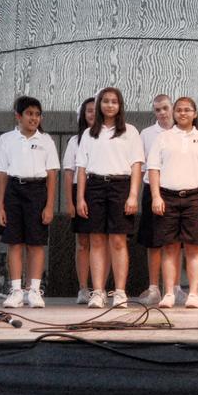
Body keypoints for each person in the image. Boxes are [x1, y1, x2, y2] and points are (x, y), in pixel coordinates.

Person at [76, 87, 143, 309]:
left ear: (120, 105)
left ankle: (120, 292)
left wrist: (133, 195)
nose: (110, 105)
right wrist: (80, 198)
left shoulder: (130, 131)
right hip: (94, 186)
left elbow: (136, 166)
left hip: (120, 186)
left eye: (114, 101)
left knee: (117, 240)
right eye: (105, 101)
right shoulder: (88, 133)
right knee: (96, 240)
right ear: (99, 104)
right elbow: (81, 168)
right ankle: (98, 291)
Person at [147, 97, 198, 309]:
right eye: (179, 110)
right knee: (170, 247)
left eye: (187, 110)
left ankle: (194, 294)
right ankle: (169, 292)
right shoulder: (163, 138)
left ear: (195, 113)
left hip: (196, 197)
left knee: (194, 248)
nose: (183, 113)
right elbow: (153, 169)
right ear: (174, 113)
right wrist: (156, 196)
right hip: (167, 196)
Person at [0, 96, 59, 309]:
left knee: (36, 242)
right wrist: (0, 205)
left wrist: (49, 205)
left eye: (37, 114)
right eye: (29, 114)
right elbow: (1, 174)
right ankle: (16, 290)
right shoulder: (6, 139)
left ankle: (34, 290)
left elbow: (51, 175)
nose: (34, 118)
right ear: (18, 116)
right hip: (13, 190)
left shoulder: (46, 140)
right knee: (14, 242)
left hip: (37, 191)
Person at [137, 94, 175, 306]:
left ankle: (175, 287)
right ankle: (154, 287)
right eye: (158, 109)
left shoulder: (182, 131)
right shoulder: (146, 134)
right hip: (152, 189)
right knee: (153, 241)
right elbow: (142, 165)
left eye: (165, 108)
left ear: (172, 107)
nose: (162, 113)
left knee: (175, 241)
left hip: (176, 189)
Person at [62, 97, 98, 304]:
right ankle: (84, 288)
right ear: (83, 115)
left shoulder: (110, 138)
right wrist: (71, 202)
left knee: (102, 241)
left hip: (102, 189)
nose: (93, 114)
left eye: (96, 110)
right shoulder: (74, 141)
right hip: (80, 191)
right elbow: (69, 174)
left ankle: (99, 288)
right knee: (83, 243)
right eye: (89, 111)